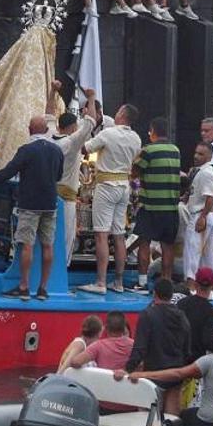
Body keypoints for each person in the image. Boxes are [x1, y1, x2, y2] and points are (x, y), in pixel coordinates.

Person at [0, 115, 64, 300]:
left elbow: (9, 171)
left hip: (30, 204)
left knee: (27, 245)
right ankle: (43, 289)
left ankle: (24, 286)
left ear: (30, 130)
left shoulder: (26, 150)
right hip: (50, 204)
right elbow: (59, 176)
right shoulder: (56, 150)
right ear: (46, 130)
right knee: (47, 245)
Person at [122, 323, 213, 426]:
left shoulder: (210, 361)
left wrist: (143, 374)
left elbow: (178, 374)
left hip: (210, 422)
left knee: (184, 415)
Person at [79, 103, 142, 294]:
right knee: (119, 234)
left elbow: (85, 149)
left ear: (122, 114)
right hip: (124, 186)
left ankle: (100, 282)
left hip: (106, 185)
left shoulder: (109, 134)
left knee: (101, 234)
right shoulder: (136, 138)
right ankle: (119, 282)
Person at [116, 278, 190, 415]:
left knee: (148, 419)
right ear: (171, 295)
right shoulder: (181, 315)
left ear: (155, 294)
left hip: (153, 374)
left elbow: (140, 348)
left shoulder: (147, 315)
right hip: (175, 375)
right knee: (171, 419)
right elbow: (187, 347)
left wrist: (127, 369)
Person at [132, 116, 182, 287]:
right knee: (168, 246)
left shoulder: (148, 150)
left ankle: (142, 282)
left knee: (144, 243)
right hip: (170, 207)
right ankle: (166, 282)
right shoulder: (175, 150)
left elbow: (134, 172)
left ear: (152, 131)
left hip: (150, 207)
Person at [51, 88, 97, 266]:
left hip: (48, 196)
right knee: (65, 240)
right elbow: (91, 123)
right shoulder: (70, 142)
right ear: (71, 128)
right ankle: (60, 275)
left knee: (48, 238)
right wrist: (91, 98)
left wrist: (53, 92)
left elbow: (48, 115)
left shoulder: (49, 136)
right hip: (65, 200)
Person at [183, 142, 213, 288]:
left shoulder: (206, 172)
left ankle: (191, 287)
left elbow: (210, 197)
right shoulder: (204, 171)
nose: (196, 156)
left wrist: (202, 217)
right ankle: (209, 289)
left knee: (192, 252)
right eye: (196, 153)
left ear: (210, 156)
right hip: (207, 214)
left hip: (201, 214)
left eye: (201, 154)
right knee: (208, 255)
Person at [61, 311, 134, 373]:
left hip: (102, 385)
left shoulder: (99, 345)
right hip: (127, 387)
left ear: (107, 328)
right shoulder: (133, 344)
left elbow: (75, 362)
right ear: (124, 328)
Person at [177, 266, 213, 361]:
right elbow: (208, 341)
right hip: (196, 364)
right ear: (212, 285)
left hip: (177, 359)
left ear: (195, 284)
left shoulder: (181, 303)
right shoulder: (212, 311)